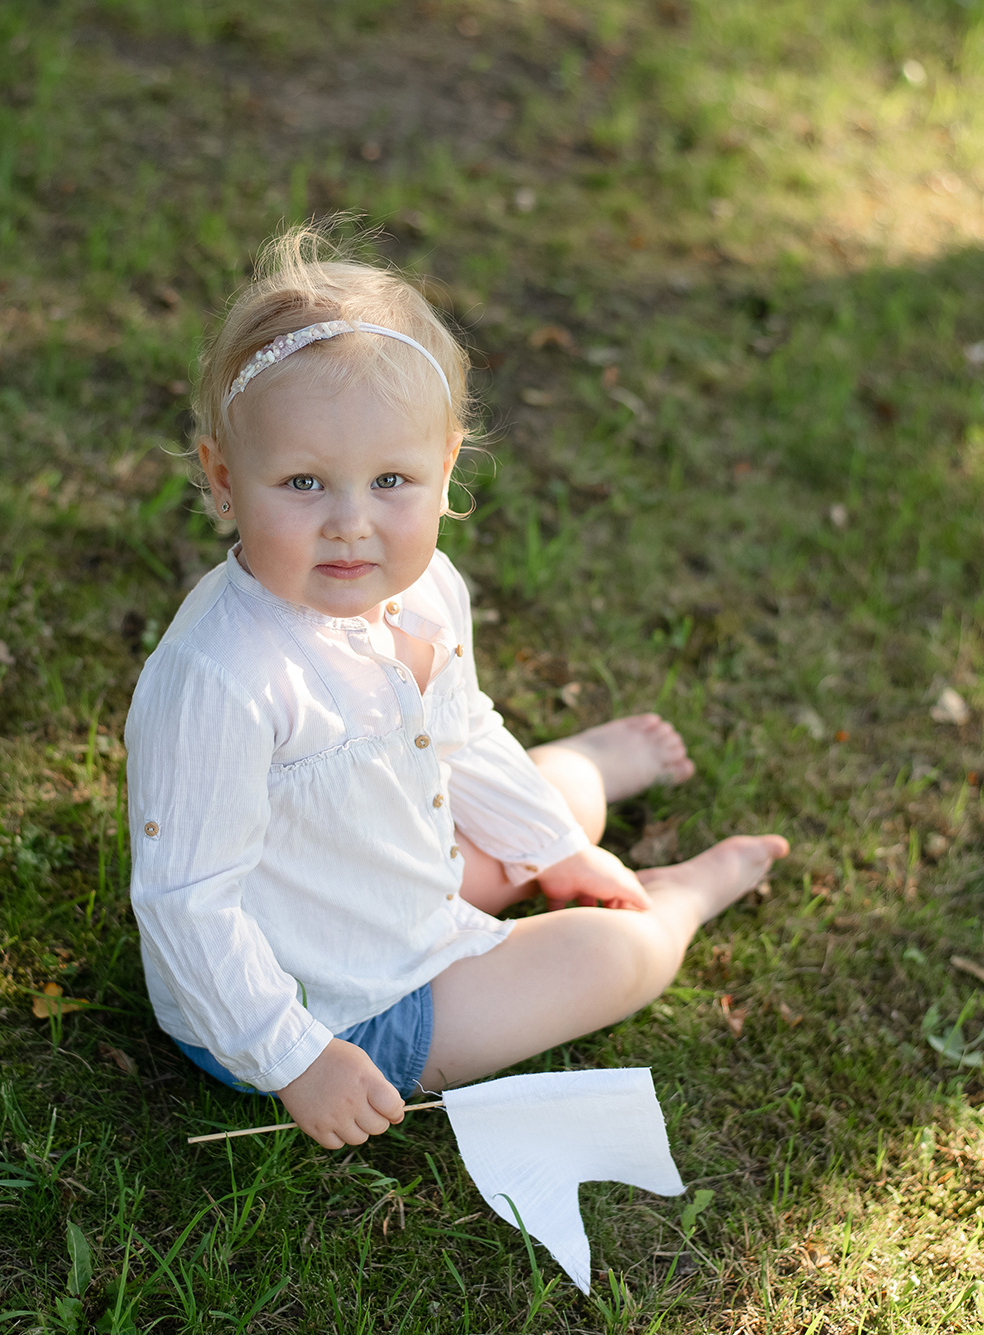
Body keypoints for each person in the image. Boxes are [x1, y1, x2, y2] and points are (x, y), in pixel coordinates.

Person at [126, 226, 790, 1150]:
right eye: (305, 482)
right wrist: (296, 1056)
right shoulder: (223, 676)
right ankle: (680, 894)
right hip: (333, 997)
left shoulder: (427, 593)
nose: (350, 525)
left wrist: (556, 849)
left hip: (399, 867)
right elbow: (185, 900)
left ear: (446, 472)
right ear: (226, 480)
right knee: (611, 951)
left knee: (531, 807)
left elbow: (460, 736)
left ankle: (585, 785)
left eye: (390, 479)